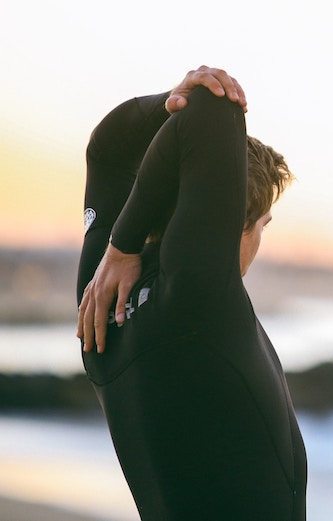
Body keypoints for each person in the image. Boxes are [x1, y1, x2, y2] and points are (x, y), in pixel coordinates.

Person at [76, 67, 306, 520]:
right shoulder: (197, 298)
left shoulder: (99, 304)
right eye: (261, 226)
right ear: (225, 223)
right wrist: (121, 246)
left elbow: (106, 149)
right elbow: (214, 107)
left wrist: (120, 248)